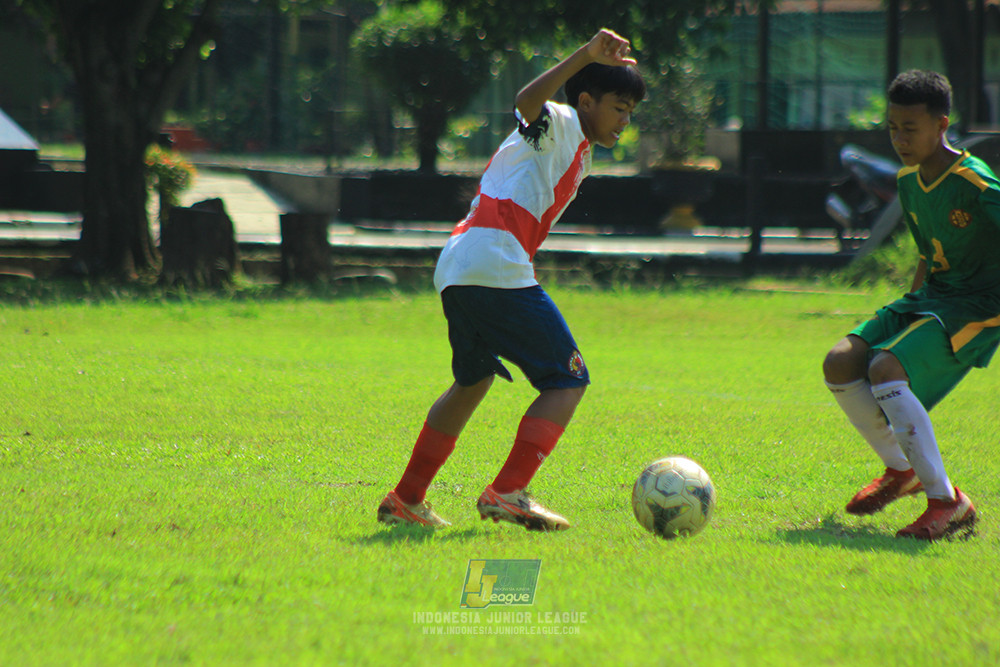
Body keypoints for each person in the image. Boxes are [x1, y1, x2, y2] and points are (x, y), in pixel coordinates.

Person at [376, 29, 645, 531]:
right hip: (493, 262)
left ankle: (407, 497)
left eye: (631, 112)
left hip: (460, 263)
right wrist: (585, 55)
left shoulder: (578, 144)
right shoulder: (561, 121)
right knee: (568, 380)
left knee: (472, 382)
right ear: (586, 101)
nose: (625, 121)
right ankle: (509, 491)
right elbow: (526, 101)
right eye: (619, 108)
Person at [823, 69, 1000, 540]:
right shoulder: (908, 181)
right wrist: (912, 303)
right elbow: (928, 251)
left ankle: (948, 502)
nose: (900, 139)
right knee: (840, 363)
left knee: (886, 369)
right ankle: (902, 470)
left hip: (980, 303)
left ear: (941, 126)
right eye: (893, 128)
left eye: (911, 128)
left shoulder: (976, 183)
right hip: (934, 296)